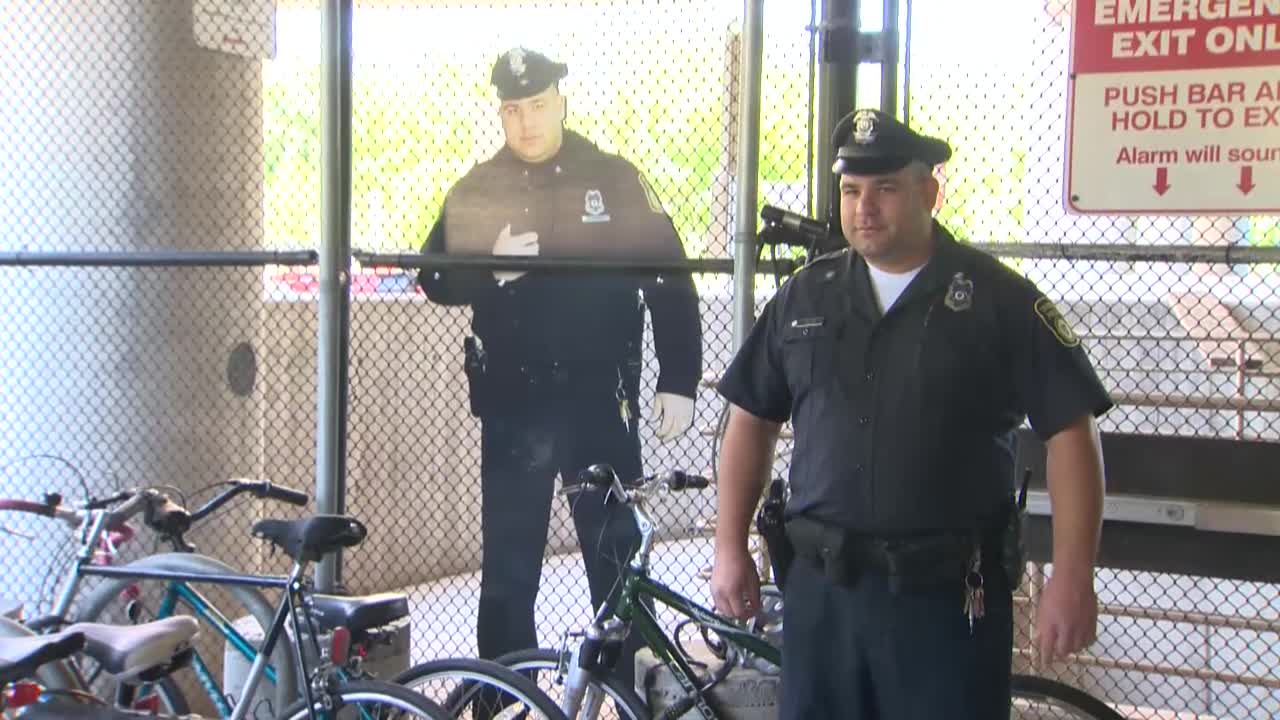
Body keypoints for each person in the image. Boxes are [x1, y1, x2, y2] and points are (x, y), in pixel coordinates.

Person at [709, 108, 1112, 719]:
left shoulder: (998, 300)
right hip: (823, 600)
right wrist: (728, 546)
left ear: (931, 191)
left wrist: (1073, 575)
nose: (863, 208)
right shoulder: (803, 296)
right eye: (851, 191)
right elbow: (751, 421)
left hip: (945, 602)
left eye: (886, 189)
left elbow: (1071, 433)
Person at [417, 47, 703, 682]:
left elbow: (669, 275)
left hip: (599, 401)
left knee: (615, 557)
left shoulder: (613, 178)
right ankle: (501, 690)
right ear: (501, 113)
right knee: (509, 570)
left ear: (561, 103)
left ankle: (625, 685)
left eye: (538, 106)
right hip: (515, 407)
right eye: (513, 110)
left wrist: (678, 377)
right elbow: (431, 274)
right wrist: (487, 269)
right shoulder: (479, 185)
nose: (526, 122)